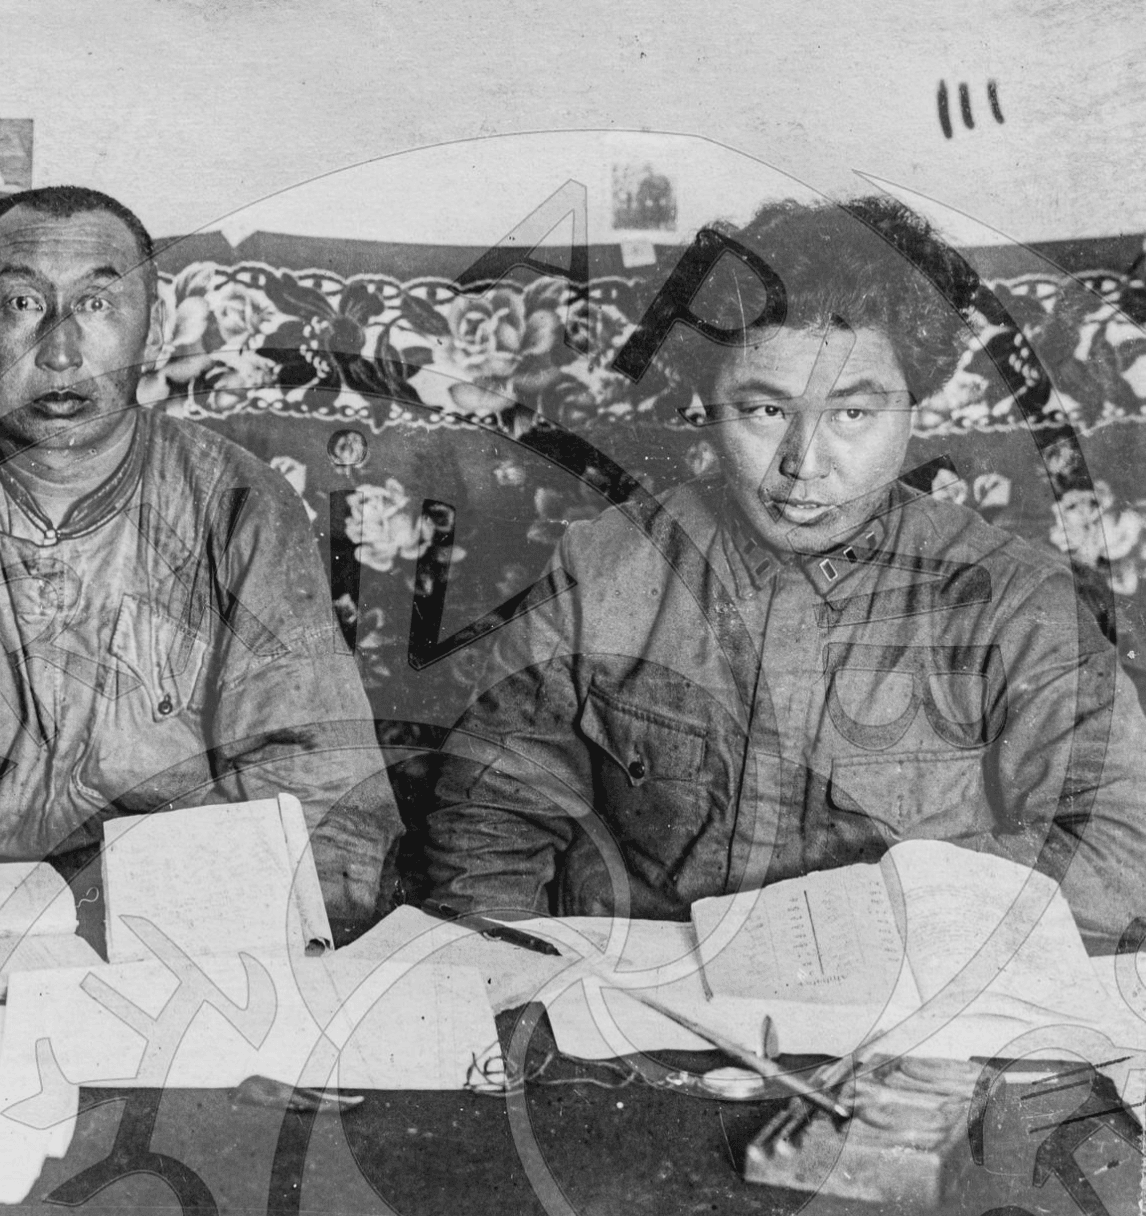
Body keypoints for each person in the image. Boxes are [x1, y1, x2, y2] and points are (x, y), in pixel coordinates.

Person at [422, 196, 1146, 952]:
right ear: (710, 407)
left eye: (852, 416)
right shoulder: (602, 567)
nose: (804, 464)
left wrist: (837, 930)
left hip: (907, 1021)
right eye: (765, 411)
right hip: (635, 1022)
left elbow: (1118, 855)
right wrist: (504, 985)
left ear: (912, 411)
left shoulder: (1015, 602)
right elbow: (492, 815)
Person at [0, 185, 401, 935]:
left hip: (178, 923)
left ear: (157, 326)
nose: (62, 350)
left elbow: (318, 782)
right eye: (21, 304)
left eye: (99, 305)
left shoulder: (239, 505)